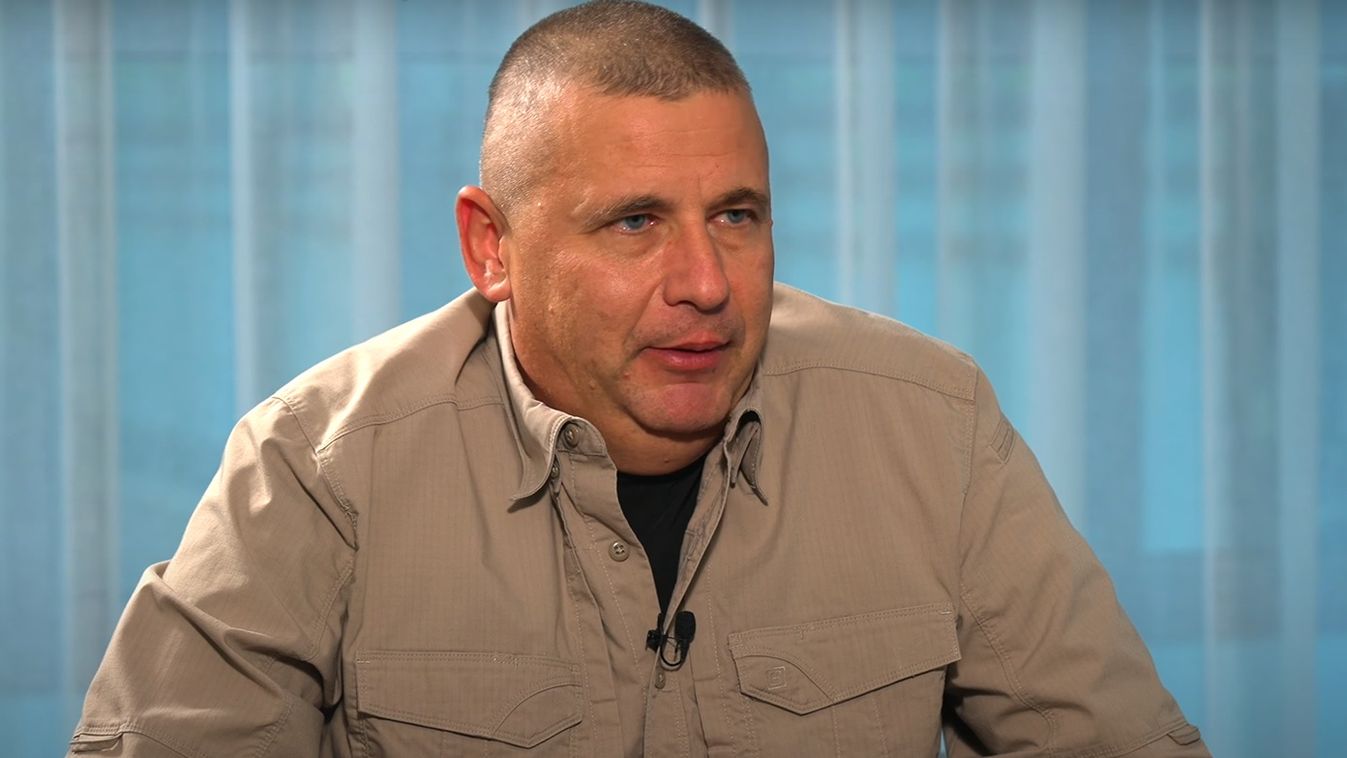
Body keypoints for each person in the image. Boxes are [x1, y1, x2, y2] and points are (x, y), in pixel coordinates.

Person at [69, 2, 1210, 756]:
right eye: (634, 222)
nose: (708, 283)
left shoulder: (933, 423)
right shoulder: (313, 467)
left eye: (737, 216)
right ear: (491, 248)